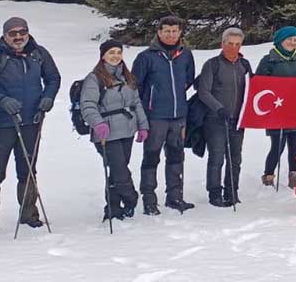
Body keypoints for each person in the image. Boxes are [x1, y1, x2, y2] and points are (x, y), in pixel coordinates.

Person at [0, 16, 60, 236]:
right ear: (4, 35)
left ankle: (29, 214)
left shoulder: (39, 54)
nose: (18, 37)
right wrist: (1, 100)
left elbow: (53, 78)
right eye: (12, 33)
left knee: (28, 170)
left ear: (28, 32)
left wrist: (48, 97)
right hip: (2, 124)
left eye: (21, 32)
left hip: (31, 122)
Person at [132, 15, 196, 215]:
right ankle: (149, 199)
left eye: (174, 31)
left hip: (178, 116)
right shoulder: (146, 57)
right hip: (155, 116)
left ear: (180, 33)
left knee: (176, 157)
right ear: (159, 32)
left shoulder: (185, 55)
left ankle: (175, 196)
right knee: (151, 157)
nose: (171, 35)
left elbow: (188, 80)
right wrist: (144, 111)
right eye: (166, 31)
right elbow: (136, 86)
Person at [81, 41, 150, 222]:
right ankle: (131, 198)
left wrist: (143, 126)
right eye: (111, 52)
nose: (115, 55)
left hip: (127, 130)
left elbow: (136, 103)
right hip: (106, 132)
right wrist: (98, 124)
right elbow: (87, 105)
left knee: (116, 172)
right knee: (120, 171)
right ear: (103, 55)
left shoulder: (128, 77)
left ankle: (112, 209)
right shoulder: (94, 78)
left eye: (118, 52)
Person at [256, 26, 296, 190]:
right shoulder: (269, 59)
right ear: (280, 41)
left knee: (295, 146)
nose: (292, 42)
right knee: (277, 145)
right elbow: (260, 84)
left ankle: (293, 175)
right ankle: (269, 174)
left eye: (295, 39)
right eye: (289, 39)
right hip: (277, 110)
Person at [196, 28, 250, 207]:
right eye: (230, 43)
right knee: (217, 157)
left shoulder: (245, 64)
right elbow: (203, 91)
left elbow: (252, 88)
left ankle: (232, 191)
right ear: (222, 44)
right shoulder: (212, 64)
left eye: (237, 44)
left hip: (238, 120)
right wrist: (219, 108)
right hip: (216, 119)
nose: (233, 47)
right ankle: (215, 193)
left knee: (235, 158)